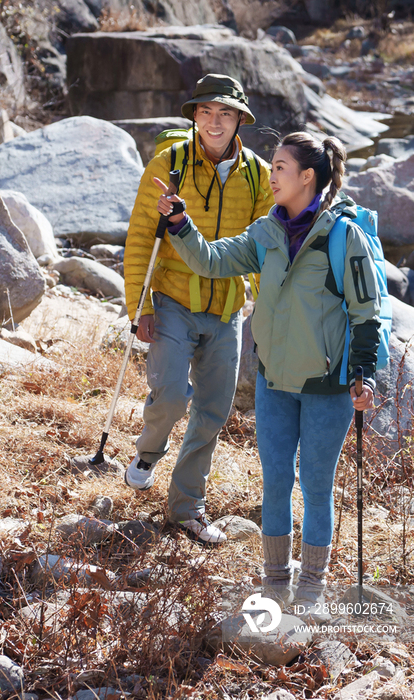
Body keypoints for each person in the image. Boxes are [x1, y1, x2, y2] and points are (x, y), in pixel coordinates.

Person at [155, 131, 380, 614]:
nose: (271, 175)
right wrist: (180, 223)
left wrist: (364, 376)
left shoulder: (345, 237)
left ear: (307, 176)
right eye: (272, 166)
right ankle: (276, 585)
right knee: (276, 482)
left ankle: (313, 591)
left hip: (328, 388)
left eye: (279, 167)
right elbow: (213, 261)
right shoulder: (266, 232)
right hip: (275, 384)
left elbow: (367, 313)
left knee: (317, 486)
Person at [123, 74, 273, 545]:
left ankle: (186, 507)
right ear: (194, 116)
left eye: (225, 113)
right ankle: (149, 452)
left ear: (239, 121)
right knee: (169, 394)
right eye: (206, 111)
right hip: (171, 301)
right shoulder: (168, 164)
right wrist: (139, 305)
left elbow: (267, 246)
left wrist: (266, 311)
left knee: (211, 411)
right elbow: (140, 238)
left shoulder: (258, 175)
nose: (214, 121)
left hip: (227, 308)